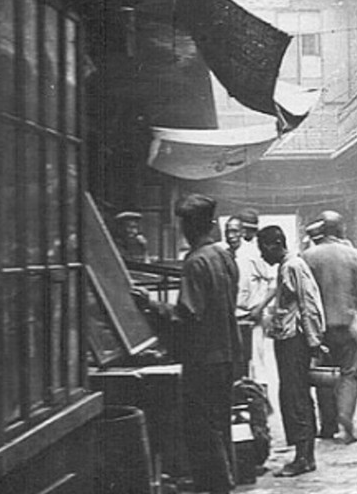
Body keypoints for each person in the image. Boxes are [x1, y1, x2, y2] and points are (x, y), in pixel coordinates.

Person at [133, 194, 242, 494]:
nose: (184, 229)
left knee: (201, 430)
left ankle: (217, 487)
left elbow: (187, 316)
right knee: (220, 426)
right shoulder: (225, 257)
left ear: (190, 226)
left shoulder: (195, 262)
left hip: (203, 359)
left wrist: (151, 305)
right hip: (227, 354)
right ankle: (226, 483)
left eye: (185, 223)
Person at [258, 225, 325, 477]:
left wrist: (313, 339)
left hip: (294, 340)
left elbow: (309, 303)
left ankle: (303, 457)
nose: (263, 256)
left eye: (263, 249)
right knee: (293, 394)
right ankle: (303, 455)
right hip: (289, 338)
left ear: (274, 244)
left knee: (296, 396)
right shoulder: (287, 266)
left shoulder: (293, 266)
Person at [302, 210, 357, 444]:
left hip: (322, 327)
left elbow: (306, 297)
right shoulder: (353, 255)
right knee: (349, 374)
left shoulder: (308, 256)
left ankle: (328, 424)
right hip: (348, 323)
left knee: (324, 375)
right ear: (341, 230)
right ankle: (346, 415)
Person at [229, 209, 278, 391]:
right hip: (237, 313)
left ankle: (260, 402)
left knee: (257, 361)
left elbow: (274, 283)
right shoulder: (231, 253)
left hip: (253, 314)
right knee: (240, 361)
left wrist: (260, 308)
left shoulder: (257, 253)